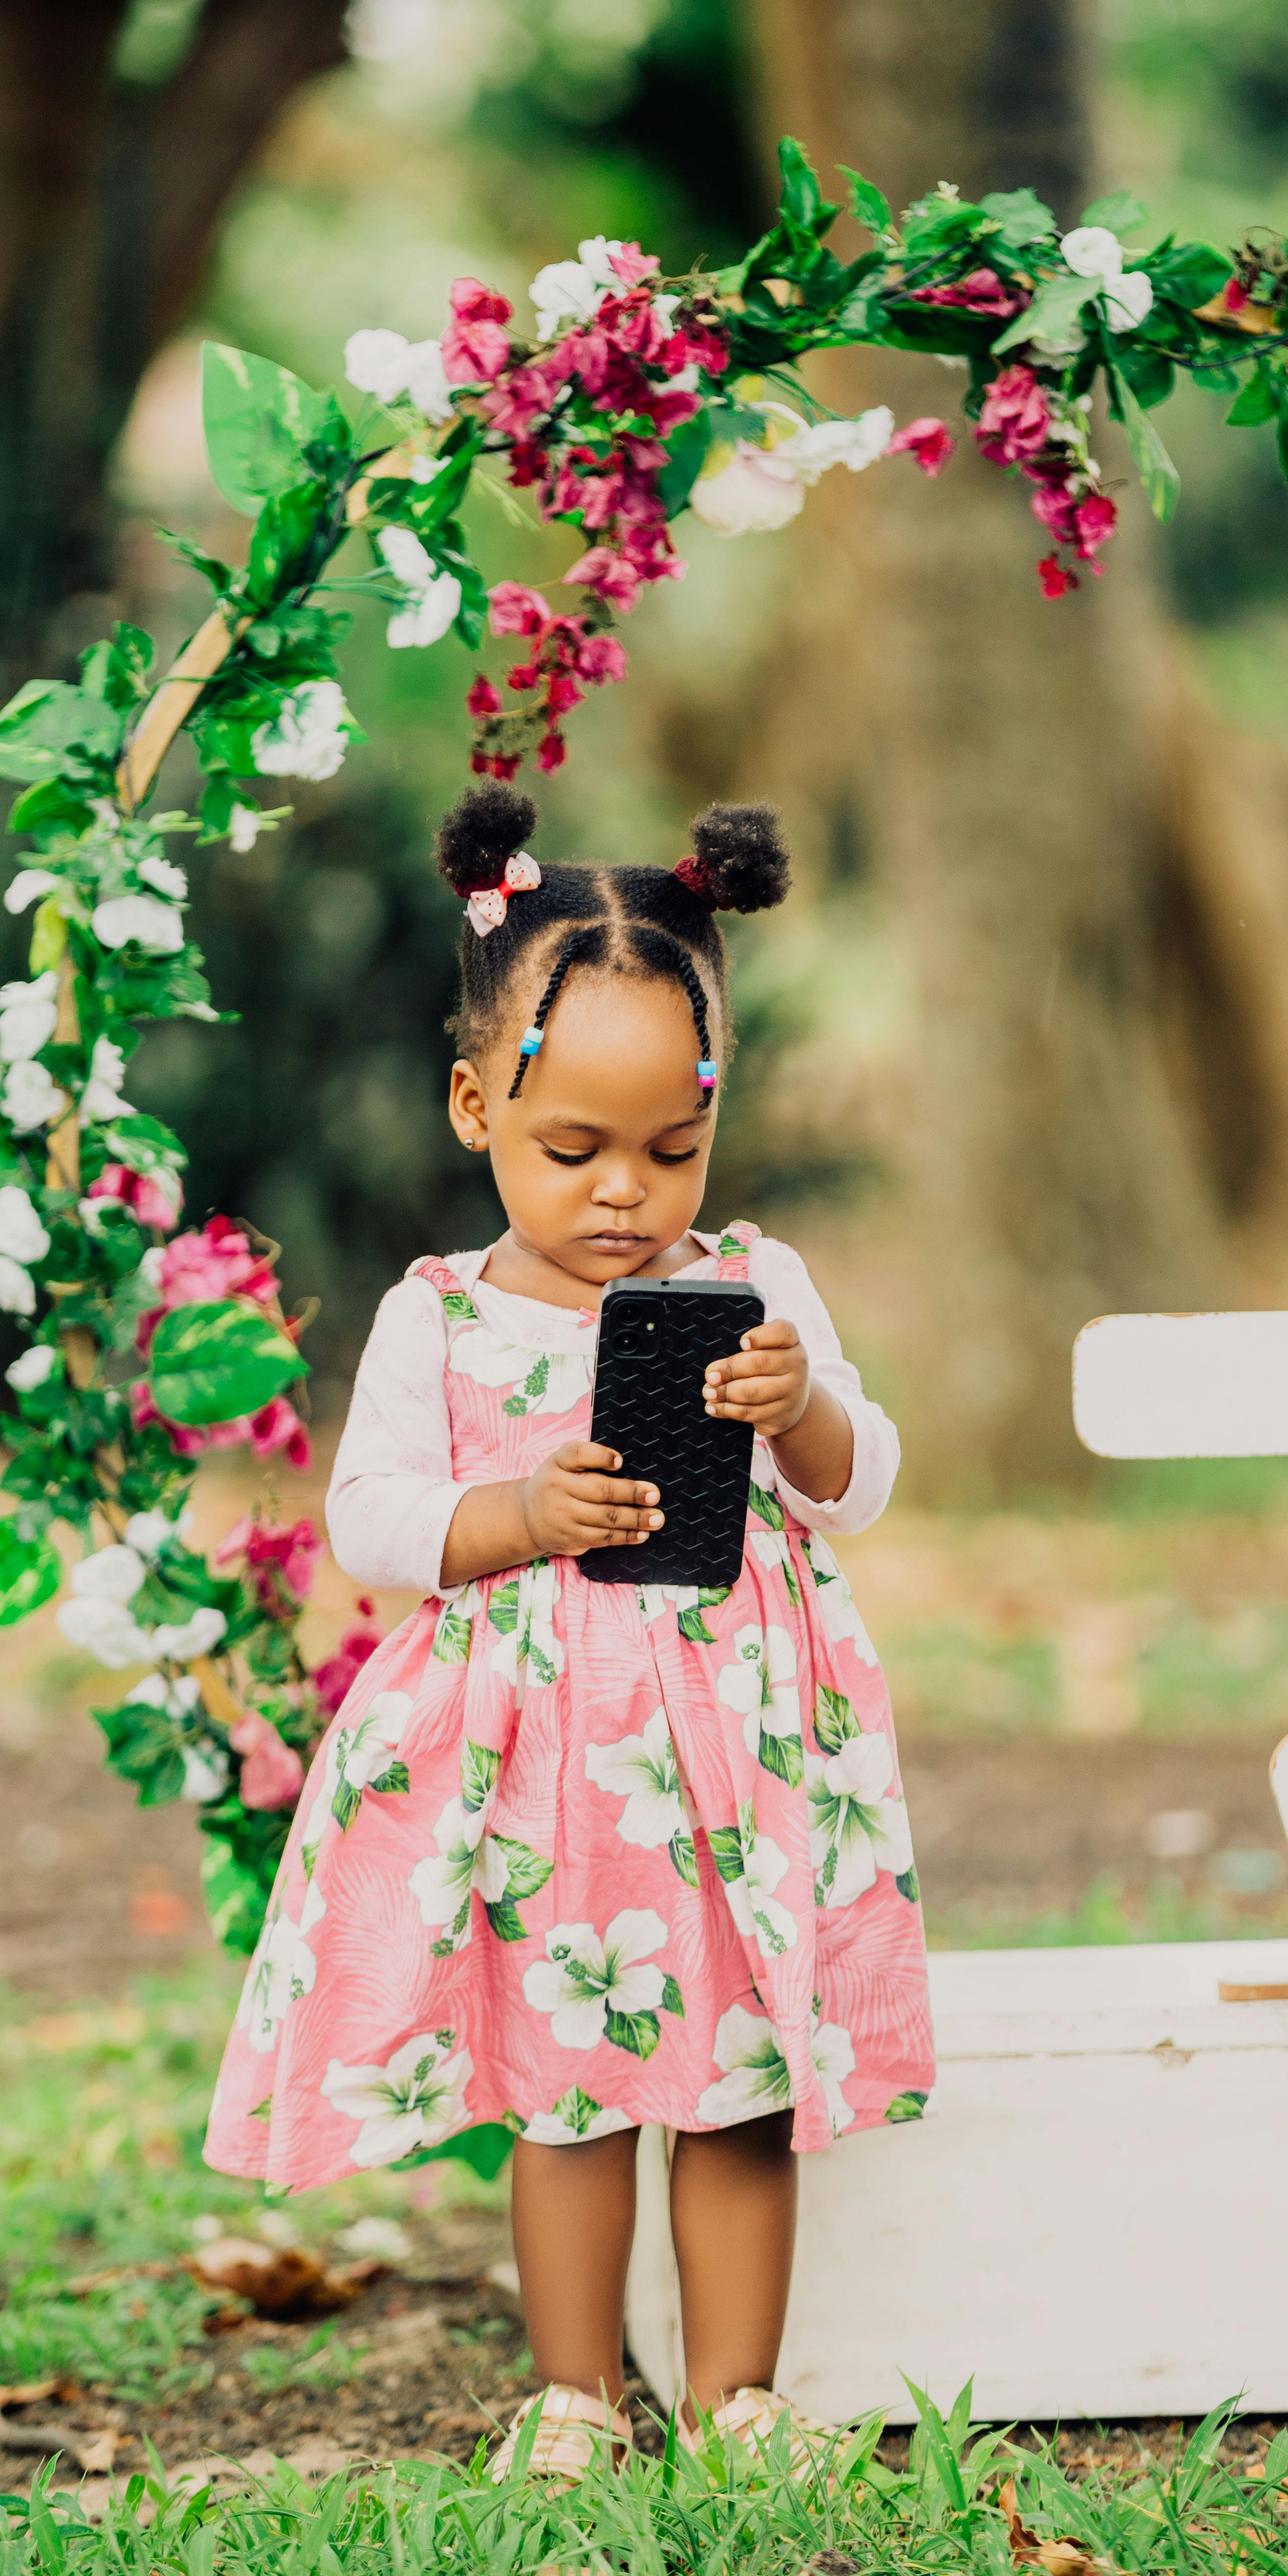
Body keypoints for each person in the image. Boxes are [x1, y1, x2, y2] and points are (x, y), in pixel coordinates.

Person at [204, 787, 933, 2478]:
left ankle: (741, 2398)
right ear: (479, 1107)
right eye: (572, 1151)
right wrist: (516, 1514)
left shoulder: (756, 1279)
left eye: (671, 1152)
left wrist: (800, 1405)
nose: (626, 1198)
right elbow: (368, 1516)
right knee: (572, 2079)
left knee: (739, 2073)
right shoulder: (439, 1313)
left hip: (738, 1749)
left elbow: (862, 1485)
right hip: (539, 1767)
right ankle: (578, 2396)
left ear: (714, 1116)